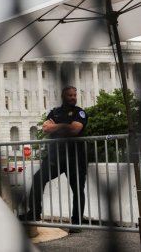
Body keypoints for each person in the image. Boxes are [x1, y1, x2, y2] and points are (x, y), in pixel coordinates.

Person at [21, 86, 88, 230]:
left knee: (77, 189)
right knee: (38, 178)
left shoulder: (79, 112)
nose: (73, 97)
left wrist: (56, 126)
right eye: (70, 95)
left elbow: (75, 129)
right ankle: (34, 213)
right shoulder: (54, 112)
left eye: (75, 95)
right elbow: (45, 128)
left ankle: (77, 223)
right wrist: (65, 126)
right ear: (63, 96)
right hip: (55, 157)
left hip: (75, 157)